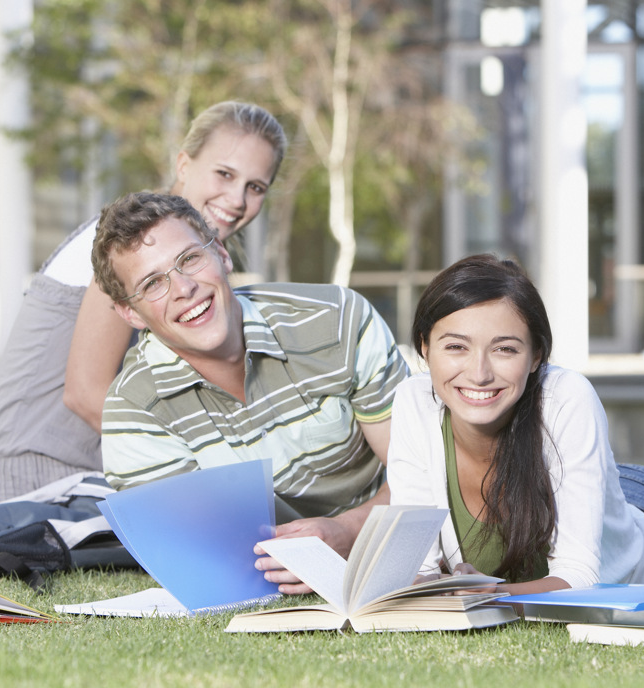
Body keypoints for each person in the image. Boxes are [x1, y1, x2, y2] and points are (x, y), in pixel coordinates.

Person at [388, 254, 644, 594]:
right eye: (456, 347)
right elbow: (418, 567)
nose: (479, 373)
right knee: (628, 495)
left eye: (505, 349)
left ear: (536, 355)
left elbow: (579, 578)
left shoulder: (566, 398)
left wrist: (492, 596)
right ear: (424, 347)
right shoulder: (415, 400)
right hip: (605, 497)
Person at [93, 192, 408, 593]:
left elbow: (421, 474)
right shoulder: (133, 411)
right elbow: (206, 560)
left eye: (190, 259)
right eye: (153, 283)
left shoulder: (338, 322)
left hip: (389, 538)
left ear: (221, 254)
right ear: (130, 313)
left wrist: (347, 532)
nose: (184, 288)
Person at [0, 101, 287, 505]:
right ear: (184, 165)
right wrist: (208, 472)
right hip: (39, 477)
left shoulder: (186, 252)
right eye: (224, 174)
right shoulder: (135, 243)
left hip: (95, 471)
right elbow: (86, 394)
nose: (237, 199)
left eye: (255, 187)